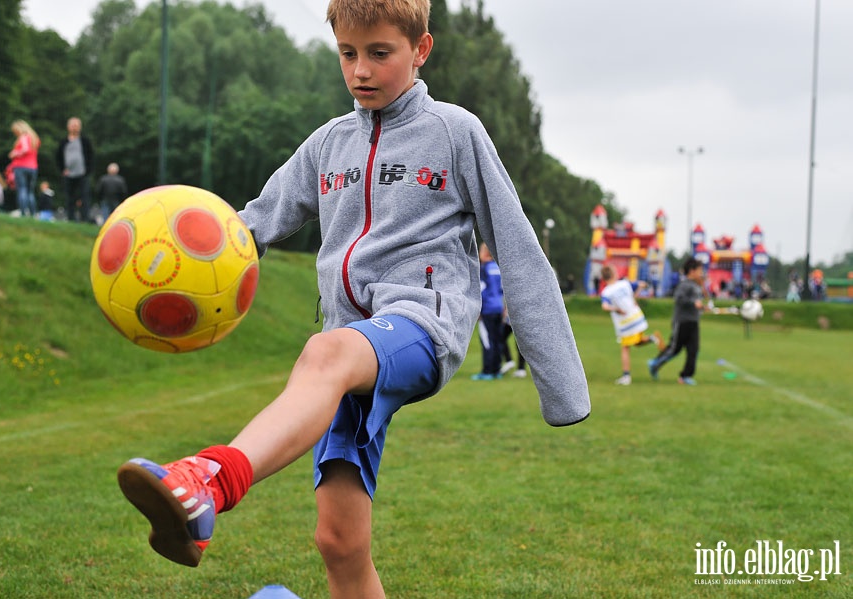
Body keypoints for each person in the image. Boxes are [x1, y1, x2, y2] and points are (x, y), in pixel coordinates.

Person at [116, 2, 590, 597]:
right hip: (350, 347)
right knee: (339, 543)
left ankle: (208, 482)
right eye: (347, 54)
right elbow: (252, 227)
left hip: (421, 325)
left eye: (379, 53)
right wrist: (179, 264)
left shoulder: (455, 132)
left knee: (325, 353)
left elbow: (519, 250)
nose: (360, 70)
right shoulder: (327, 145)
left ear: (421, 50)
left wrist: (562, 389)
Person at [599, 265, 663, 385]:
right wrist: (638, 291)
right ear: (614, 273)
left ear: (603, 278)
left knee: (625, 348)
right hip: (636, 317)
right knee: (636, 342)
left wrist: (616, 309)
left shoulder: (606, 292)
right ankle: (652, 338)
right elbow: (641, 284)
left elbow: (605, 307)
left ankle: (626, 376)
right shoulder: (625, 284)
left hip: (625, 323)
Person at [648, 258, 707, 385]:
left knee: (693, 350)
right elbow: (679, 299)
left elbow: (696, 302)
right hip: (682, 322)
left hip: (693, 322)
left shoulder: (696, 285)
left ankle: (685, 376)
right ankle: (655, 364)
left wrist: (701, 307)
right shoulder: (684, 284)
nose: (701, 273)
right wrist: (693, 303)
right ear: (692, 271)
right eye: (699, 270)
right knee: (674, 349)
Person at [471, 243, 505, 380]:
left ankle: (487, 371)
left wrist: (478, 309)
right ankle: (497, 369)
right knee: (497, 340)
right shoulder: (497, 267)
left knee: (487, 340)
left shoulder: (484, 269)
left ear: (484, 252)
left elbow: (482, 290)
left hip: (488, 309)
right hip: (498, 307)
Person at [55, 116, 95, 222]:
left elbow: (91, 156)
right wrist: (63, 169)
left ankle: (85, 219)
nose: (75, 128)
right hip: (69, 174)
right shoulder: (64, 142)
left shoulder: (85, 141)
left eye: (77, 125)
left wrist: (87, 170)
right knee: (70, 197)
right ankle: (71, 218)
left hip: (82, 174)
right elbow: (58, 157)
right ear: (68, 127)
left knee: (84, 197)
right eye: (73, 125)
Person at [8, 120, 40, 217]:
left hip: (21, 167)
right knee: (30, 192)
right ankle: (33, 213)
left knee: (22, 190)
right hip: (33, 167)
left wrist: (15, 153)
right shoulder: (35, 138)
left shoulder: (23, 137)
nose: (15, 133)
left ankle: (23, 213)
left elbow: (25, 149)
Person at [501, 305, 527, 378]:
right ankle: (515, 364)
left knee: (519, 343)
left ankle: (519, 368)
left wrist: (505, 311)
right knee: (501, 338)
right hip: (516, 315)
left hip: (518, 315)